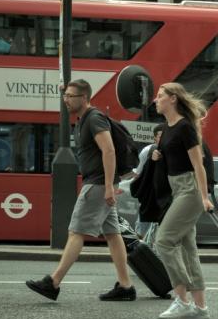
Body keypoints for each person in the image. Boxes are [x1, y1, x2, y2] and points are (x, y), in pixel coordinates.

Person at [26, 79, 136, 302]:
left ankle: (53, 282)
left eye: (70, 96)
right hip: (100, 183)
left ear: (84, 98)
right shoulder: (85, 118)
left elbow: (109, 151)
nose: (65, 100)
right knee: (113, 235)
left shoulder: (94, 118)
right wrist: (66, 88)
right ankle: (126, 286)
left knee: (76, 232)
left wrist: (107, 187)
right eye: (64, 96)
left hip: (96, 185)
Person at [152, 83, 214, 319]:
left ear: (173, 99)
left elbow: (198, 164)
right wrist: (159, 155)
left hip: (190, 189)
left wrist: (204, 197)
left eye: (160, 96)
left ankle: (181, 300)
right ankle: (200, 308)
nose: (155, 100)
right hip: (178, 189)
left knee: (164, 240)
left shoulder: (185, 127)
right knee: (188, 249)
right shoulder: (167, 128)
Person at [134, 125, 164, 239]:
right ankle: (139, 249)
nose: (163, 138)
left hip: (163, 193)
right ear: (154, 138)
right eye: (160, 136)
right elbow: (139, 173)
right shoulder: (147, 151)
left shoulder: (171, 149)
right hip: (149, 193)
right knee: (142, 225)